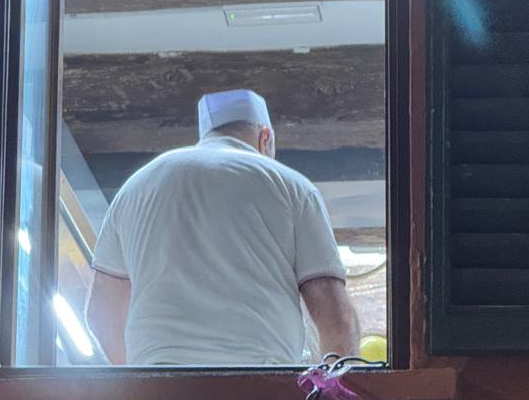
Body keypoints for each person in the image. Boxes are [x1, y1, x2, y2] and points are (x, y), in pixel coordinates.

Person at [85, 88, 359, 367]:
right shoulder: (292, 186)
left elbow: (101, 311)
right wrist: (329, 393)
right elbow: (335, 316)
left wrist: (137, 383)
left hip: (160, 385)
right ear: (265, 138)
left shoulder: (135, 188)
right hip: (260, 385)